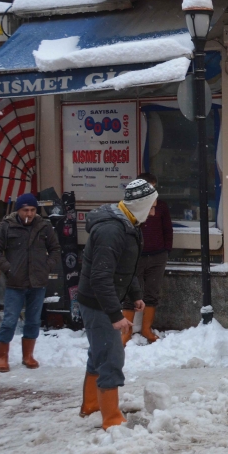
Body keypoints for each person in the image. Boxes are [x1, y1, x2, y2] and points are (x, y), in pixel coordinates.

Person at [76, 179, 157, 429]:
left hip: (102, 300)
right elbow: (100, 277)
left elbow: (125, 267)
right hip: (97, 302)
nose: (153, 212)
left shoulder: (128, 224)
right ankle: (110, 418)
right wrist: (115, 314)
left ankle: (91, 403)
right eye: (152, 206)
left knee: (99, 353)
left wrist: (134, 295)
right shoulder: (112, 230)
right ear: (141, 205)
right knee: (111, 356)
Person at [0, 193, 61, 373]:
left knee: (33, 320)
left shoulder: (44, 226)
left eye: (33, 210)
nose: (29, 213)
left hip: (38, 282)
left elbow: (55, 249)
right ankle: (2, 357)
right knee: (10, 321)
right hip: (15, 282)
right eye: (25, 210)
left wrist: (47, 266)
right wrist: (8, 268)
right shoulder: (7, 226)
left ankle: (28, 355)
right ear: (18, 210)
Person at [121, 172, 173, 344]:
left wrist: (166, 250)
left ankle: (146, 329)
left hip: (157, 255)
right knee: (130, 294)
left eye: (153, 188)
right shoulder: (130, 209)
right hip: (136, 256)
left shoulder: (161, 206)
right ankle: (126, 332)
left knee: (152, 293)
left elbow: (167, 229)